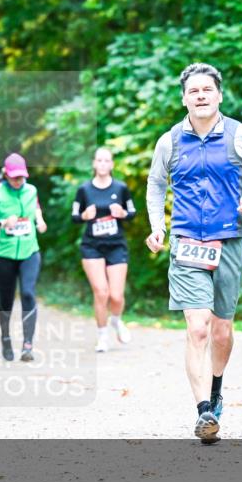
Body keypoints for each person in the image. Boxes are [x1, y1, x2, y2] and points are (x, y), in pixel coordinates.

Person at [145, 62, 242, 444]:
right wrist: (157, 226)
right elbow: (155, 186)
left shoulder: (240, 135)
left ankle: (216, 389)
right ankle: (203, 411)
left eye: (207, 90)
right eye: (193, 91)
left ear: (219, 95)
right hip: (186, 242)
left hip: (229, 240)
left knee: (221, 331)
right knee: (197, 327)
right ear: (184, 98)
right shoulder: (169, 140)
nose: (200, 96)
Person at [0, 153, 47, 362]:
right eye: (14, 177)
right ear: (6, 175)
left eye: (21, 177)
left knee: (28, 292)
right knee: (6, 301)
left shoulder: (32, 190)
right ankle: (6, 337)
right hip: (3, 255)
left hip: (29, 251)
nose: (19, 181)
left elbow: (35, 207)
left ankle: (28, 345)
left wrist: (40, 220)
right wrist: (2, 224)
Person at [71, 147, 137, 352]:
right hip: (92, 246)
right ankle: (102, 337)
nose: (102, 164)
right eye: (99, 160)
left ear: (112, 165)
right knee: (101, 292)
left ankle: (116, 320)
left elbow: (133, 213)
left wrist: (123, 213)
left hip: (116, 245)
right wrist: (84, 216)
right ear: (93, 163)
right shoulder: (84, 189)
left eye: (106, 160)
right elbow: (74, 216)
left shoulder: (121, 187)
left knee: (116, 296)